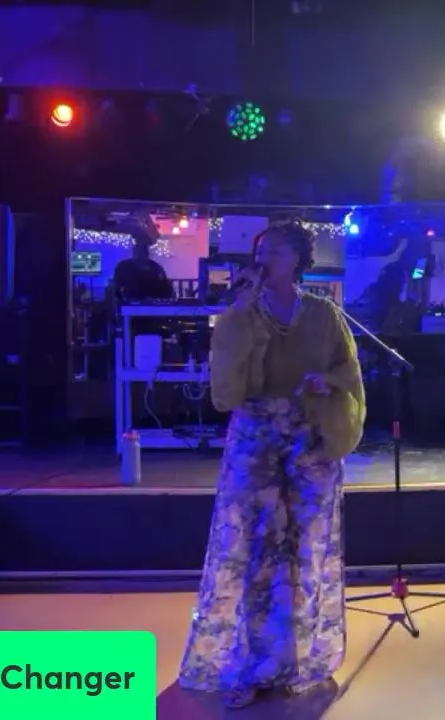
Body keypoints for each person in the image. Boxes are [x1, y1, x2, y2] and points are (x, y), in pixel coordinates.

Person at [178, 222, 365, 709]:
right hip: (256, 436)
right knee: (253, 548)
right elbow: (226, 388)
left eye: (278, 251)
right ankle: (249, 666)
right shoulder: (241, 315)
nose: (266, 258)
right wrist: (239, 314)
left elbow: (348, 368)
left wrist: (325, 382)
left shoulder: (324, 313)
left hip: (309, 436)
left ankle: (296, 660)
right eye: (261, 251)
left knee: (305, 548)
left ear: (298, 259)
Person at [110, 213, 174, 302]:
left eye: (143, 248)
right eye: (139, 248)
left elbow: (166, 290)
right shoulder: (124, 267)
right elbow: (116, 290)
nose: (141, 252)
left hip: (150, 307)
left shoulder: (156, 268)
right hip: (131, 306)